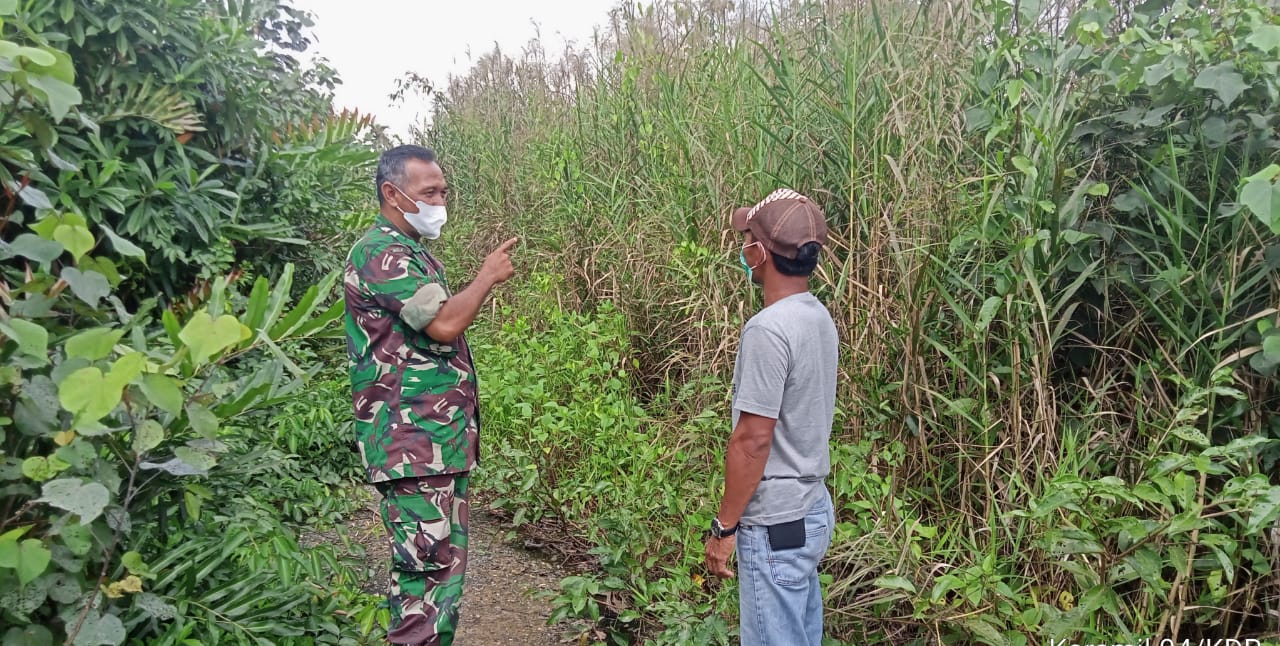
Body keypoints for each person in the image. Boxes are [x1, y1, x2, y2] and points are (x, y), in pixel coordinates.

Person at [344, 144, 517, 645]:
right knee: (424, 577)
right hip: (413, 443)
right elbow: (443, 324)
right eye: (430, 192)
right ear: (392, 194)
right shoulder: (382, 253)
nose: (441, 201)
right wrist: (485, 278)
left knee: (439, 575)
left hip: (434, 444)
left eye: (443, 191)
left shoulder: (414, 253)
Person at [704, 188, 839, 646]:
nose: (742, 248)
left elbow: (753, 440)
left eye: (746, 238)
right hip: (811, 510)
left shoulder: (768, 329)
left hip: (776, 524)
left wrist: (724, 527)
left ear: (759, 253)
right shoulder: (817, 316)